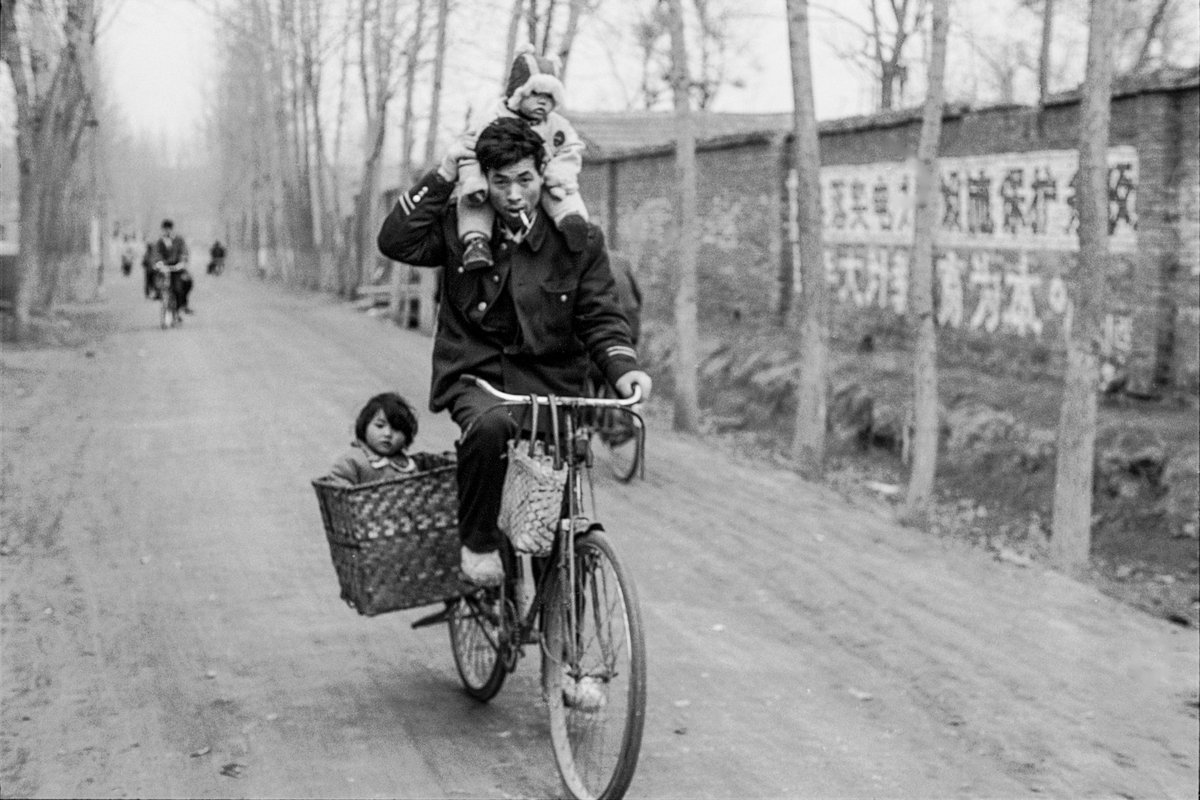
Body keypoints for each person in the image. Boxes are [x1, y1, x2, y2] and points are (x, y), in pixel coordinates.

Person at [377, 116, 652, 586]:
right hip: (476, 373)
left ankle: (562, 628)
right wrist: (444, 176)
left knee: (559, 518)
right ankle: (479, 543)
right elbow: (395, 240)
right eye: (500, 181)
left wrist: (624, 369)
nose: (514, 194)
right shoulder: (459, 227)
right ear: (484, 179)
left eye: (525, 179)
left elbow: (601, 317)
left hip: (551, 380)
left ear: (543, 172)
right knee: (489, 429)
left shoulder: (576, 238)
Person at [450, 43, 589, 272]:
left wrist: (558, 174)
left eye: (549, 96)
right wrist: (472, 179)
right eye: (535, 94)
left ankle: (572, 223)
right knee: (476, 200)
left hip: (542, 179)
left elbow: (571, 149)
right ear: (518, 93)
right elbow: (468, 151)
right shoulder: (492, 119)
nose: (542, 102)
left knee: (562, 193)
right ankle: (476, 241)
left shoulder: (556, 126)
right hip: (492, 181)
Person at [327, 393, 420, 486]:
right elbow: (338, 486)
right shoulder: (353, 461)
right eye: (380, 426)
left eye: (396, 429)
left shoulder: (407, 465)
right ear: (365, 426)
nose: (387, 434)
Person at [153, 219, 194, 314]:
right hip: (164, 267)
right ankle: (157, 295)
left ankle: (182, 305)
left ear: (171, 229)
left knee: (185, 284)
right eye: (164, 229)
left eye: (168, 229)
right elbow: (156, 253)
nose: (166, 231)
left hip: (177, 267)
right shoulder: (160, 241)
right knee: (157, 282)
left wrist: (182, 262)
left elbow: (184, 252)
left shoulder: (179, 240)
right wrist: (159, 263)